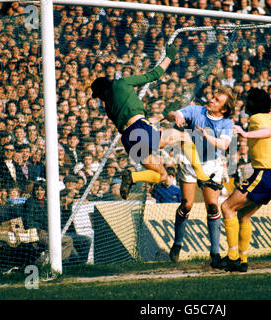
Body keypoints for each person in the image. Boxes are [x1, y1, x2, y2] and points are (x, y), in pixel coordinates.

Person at [220, 88, 271, 272]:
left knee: (226, 207)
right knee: (244, 215)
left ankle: (232, 257)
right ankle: (243, 260)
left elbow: (267, 133)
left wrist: (245, 134)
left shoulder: (256, 119)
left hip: (264, 173)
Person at [91, 44, 178, 200]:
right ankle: (203, 177)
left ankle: (133, 177)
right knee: (182, 136)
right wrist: (169, 57)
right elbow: (153, 75)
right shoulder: (121, 83)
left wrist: (163, 114)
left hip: (129, 139)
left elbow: (134, 125)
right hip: (140, 129)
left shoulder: (109, 108)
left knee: (163, 175)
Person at [162, 86, 235, 268]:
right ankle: (177, 244)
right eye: (213, 97)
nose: (212, 100)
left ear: (224, 109)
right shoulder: (196, 111)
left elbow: (224, 145)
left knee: (212, 205)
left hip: (211, 164)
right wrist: (176, 116)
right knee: (187, 204)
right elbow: (172, 113)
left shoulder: (227, 123)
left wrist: (207, 137)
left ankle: (215, 252)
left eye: (217, 100)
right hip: (189, 161)